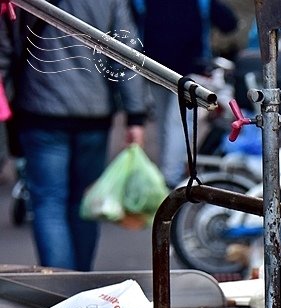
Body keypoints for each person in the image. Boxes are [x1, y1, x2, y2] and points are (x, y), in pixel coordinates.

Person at [0, 0, 147, 271]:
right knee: (84, 202)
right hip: (93, 113)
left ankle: (59, 286)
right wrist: (135, 115)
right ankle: (79, 281)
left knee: (47, 203)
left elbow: (5, 50)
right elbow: (127, 53)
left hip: (39, 110)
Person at [131, 0, 238, 187]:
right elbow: (229, 23)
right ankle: (169, 181)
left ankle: (164, 179)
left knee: (165, 125)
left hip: (154, 67)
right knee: (177, 127)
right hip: (189, 70)